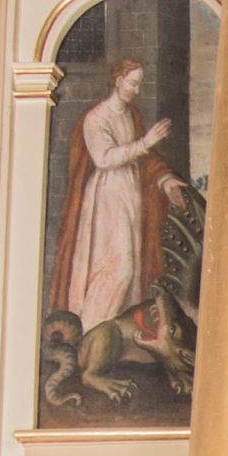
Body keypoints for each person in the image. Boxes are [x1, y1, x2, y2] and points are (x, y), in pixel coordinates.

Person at [48, 55, 177, 390]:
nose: (136, 89)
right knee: (114, 269)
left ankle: (116, 350)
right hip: (106, 198)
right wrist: (146, 142)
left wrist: (164, 179)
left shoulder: (132, 115)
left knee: (131, 273)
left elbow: (146, 160)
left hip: (131, 194)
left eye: (139, 84)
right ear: (118, 81)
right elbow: (104, 158)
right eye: (132, 83)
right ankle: (89, 341)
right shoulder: (96, 118)